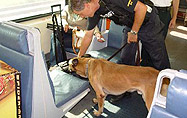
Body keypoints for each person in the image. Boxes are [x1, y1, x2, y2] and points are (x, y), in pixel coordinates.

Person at [69, 0, 170, 71]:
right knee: (126, 58)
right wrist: (79, 58)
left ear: (87, 5)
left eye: (81, 14)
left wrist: (134, 32)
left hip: (148, 22)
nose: (81, 17)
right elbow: (88, 36)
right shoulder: (94, 13)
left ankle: (168, 89)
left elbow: (142, 8)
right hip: (131, 24)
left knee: (159, 59)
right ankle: (125, 88)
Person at [141, 0, 179, 68]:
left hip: (164, 13)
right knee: (146, 41)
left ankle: (156, 70)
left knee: (159, 44)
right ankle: (145, 67)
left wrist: (174, 18)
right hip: (149, 10)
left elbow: (176, 0)